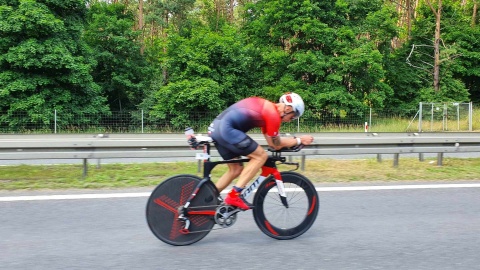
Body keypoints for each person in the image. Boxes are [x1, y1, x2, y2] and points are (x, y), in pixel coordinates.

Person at [207, 92, 314, 210]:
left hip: (216, 128)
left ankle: (206, 199)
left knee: (236, 169)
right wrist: (299, 140)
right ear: (288, 108)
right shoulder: (273, 115)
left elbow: (273, 144)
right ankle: (234, 195)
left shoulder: (267, 111)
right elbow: (277, 144)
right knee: (260, 157)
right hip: (227, 129)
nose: (290, 120)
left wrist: (292, 141)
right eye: (293, 116)